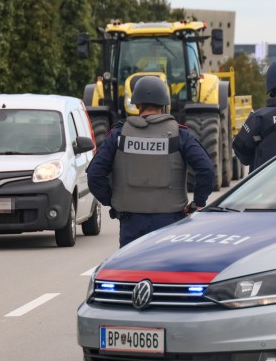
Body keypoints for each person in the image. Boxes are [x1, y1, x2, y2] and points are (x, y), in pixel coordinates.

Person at [87, 76, 215, 248]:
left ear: (137, 104)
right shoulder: (179, 135)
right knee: (166, 271)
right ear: (164, 104)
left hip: (130, 220)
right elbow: (206, 169)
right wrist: (197, 203)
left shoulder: (119, 135)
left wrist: (113, 200)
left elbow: (95, 174)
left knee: (131, 270)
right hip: (170, 221)